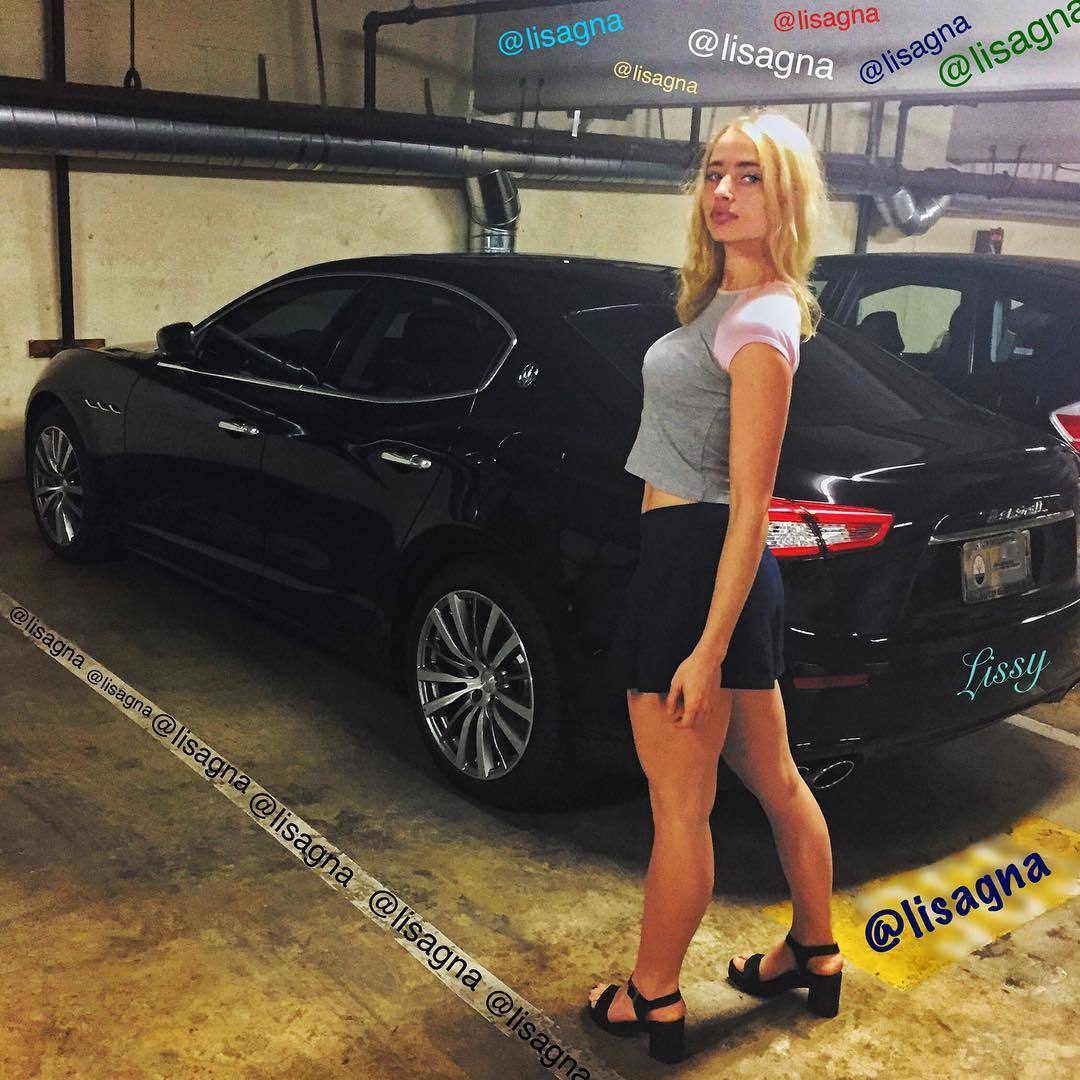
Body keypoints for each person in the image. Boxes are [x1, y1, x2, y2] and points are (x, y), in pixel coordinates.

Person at [585, 109, 842, 1065]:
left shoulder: (763, 323)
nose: (724, 191)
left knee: (681, 810)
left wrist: (704, 647)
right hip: (704, 566)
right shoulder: (726, 303)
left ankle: (651, 996)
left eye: (751, 176)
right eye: (715, 172)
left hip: (700, 571)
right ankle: (813, 952)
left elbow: (749, 505)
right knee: (774, 778)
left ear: (787, 196)